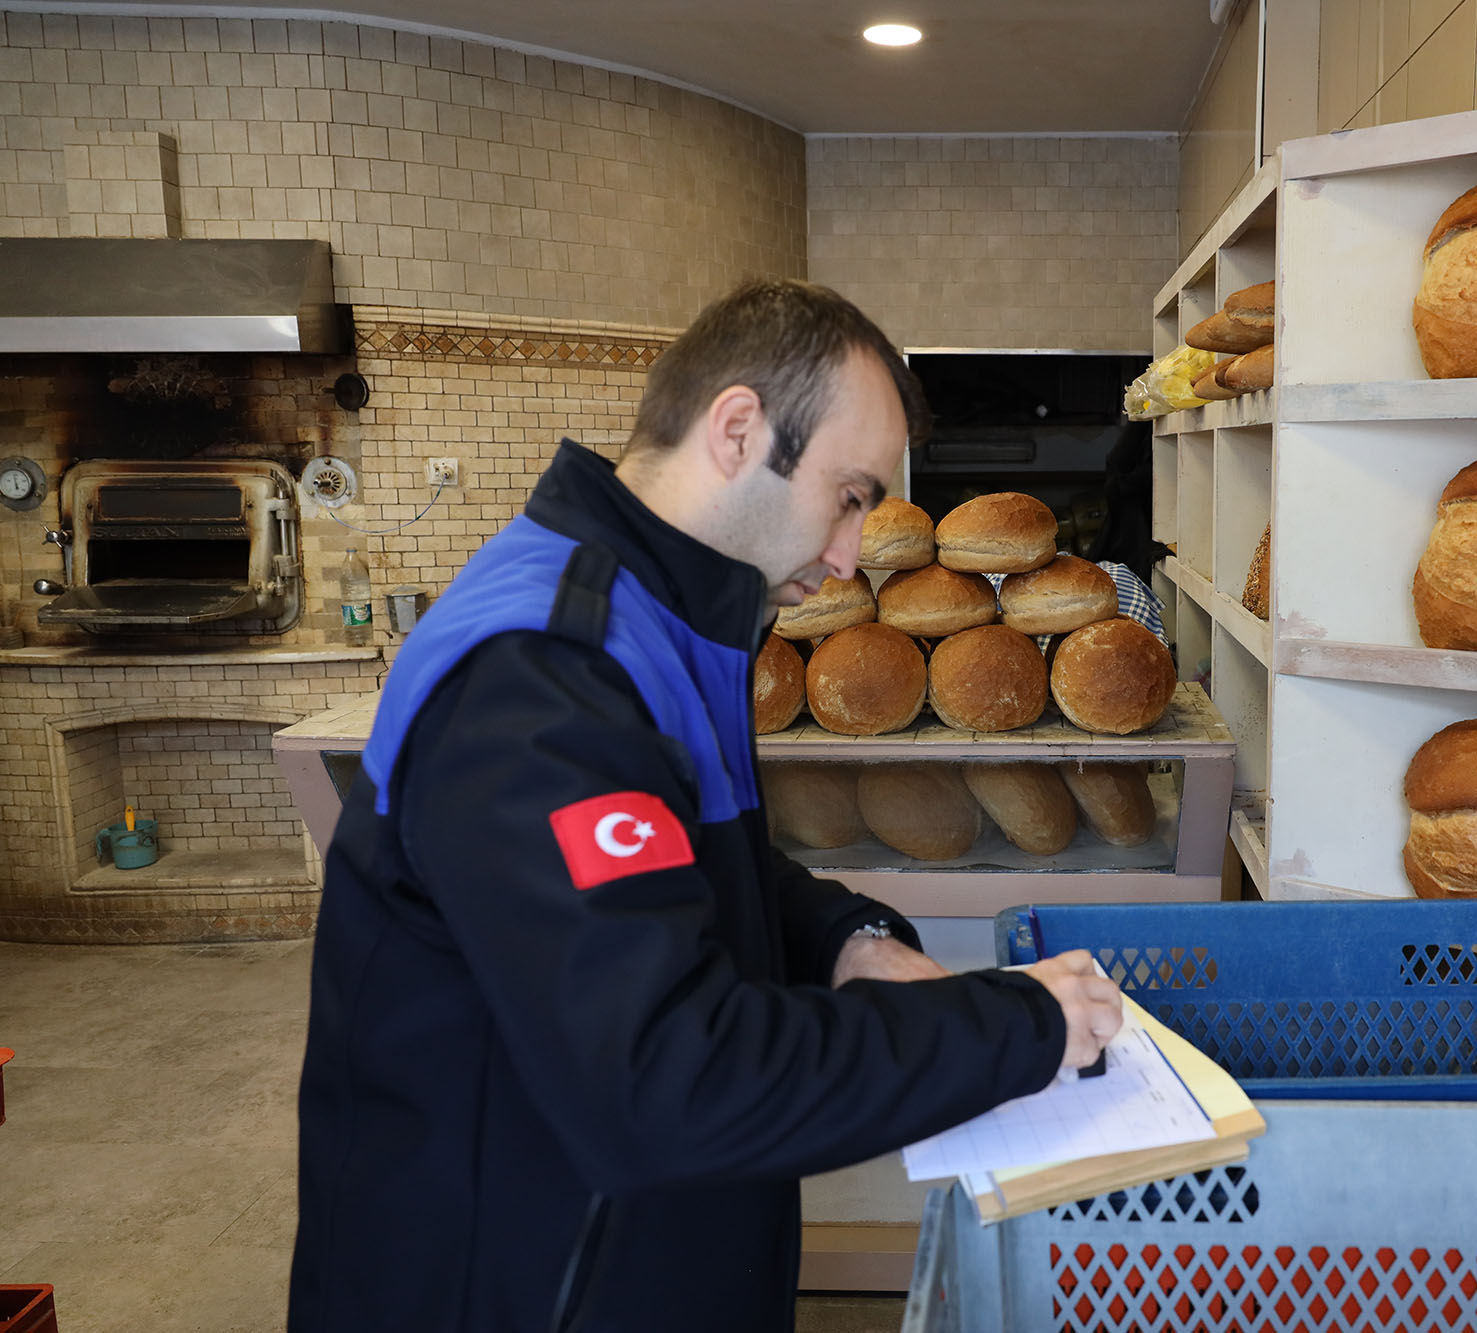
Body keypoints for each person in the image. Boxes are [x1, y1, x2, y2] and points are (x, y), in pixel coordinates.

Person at [288, 279, 1125, 1332]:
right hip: (521, 1282)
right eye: (849, 494)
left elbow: (687, 869)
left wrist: (845, 938)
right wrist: (1014, 1026)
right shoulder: (542, 671)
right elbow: (667, 1081)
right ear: (737, 430)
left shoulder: (660, 616)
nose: (847, 553)